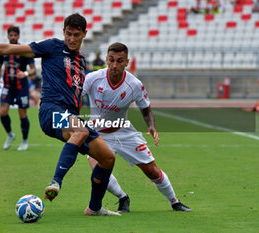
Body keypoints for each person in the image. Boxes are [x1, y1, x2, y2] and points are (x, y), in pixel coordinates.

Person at [0, 13, 120, 216]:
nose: (72, 39)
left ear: (85, 33)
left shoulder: (81, 61)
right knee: (80, 129)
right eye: (68, 34)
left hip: (70, 118)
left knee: (108, 158)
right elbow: (7, 49)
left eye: (76, 35)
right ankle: (55, 182)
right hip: (51, 111)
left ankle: (94, 208)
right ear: (63, 32)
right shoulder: (52, 47)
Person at [82, 42, 192, 212]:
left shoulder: (134, 84)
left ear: (127, 62)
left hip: (124, 132)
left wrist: (151, 126)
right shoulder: (92, 79)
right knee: (99, 172)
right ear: (106, 59)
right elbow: (73, 96)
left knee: (152, 171)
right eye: (111, 60)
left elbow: (146, 108)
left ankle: (174, 201)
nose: (114, 65)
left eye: (119, 61)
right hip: (97, 134)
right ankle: (122, 198)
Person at [0, 26, 36, 151]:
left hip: (21, 87)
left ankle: (24, 141)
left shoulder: (24, 50)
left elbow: (33, 69)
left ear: (18, 36)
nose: (13, 37)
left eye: (15, 35)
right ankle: (10, 135)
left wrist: (24, 73)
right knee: (2, 112)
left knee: (22, 114)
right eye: (11, 35)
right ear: (8, 36)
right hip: (8, 86)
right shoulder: (3, 50)